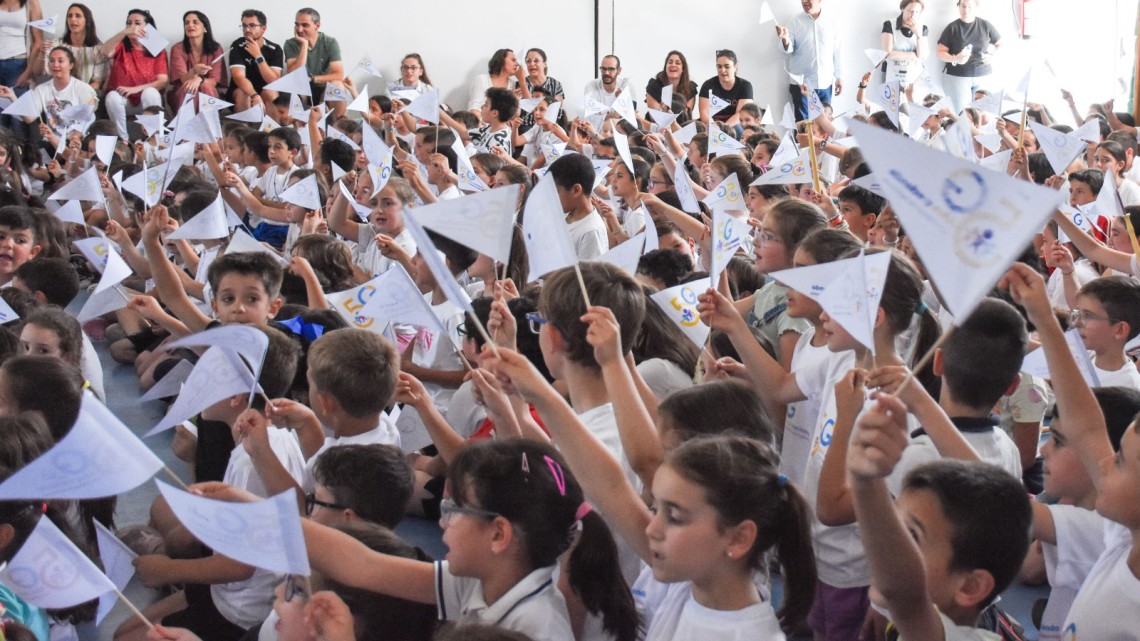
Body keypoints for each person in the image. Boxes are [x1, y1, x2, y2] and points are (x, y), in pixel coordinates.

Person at [289, 439, 635, 641]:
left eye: (456, 509)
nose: (442, 519)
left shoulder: (536, 627)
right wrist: (258, 516)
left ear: (499, 534)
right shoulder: (479, 580)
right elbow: (361, 565)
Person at [102, 9, 168, 140]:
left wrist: (136, 89)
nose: (132, 27)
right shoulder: (121, 45)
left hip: (146, 101)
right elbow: (105, 52)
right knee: (112, 97)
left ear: (148, 27)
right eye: (129, 23)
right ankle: (123, 140)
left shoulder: (158, 49)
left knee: (150, 92)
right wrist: (123, 33)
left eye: (137, 23)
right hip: (124, 100)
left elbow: (163, 81)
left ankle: (154, 139)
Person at [777, 0, 843, 121]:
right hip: (801, 84)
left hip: (825, 84)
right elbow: (786, 50)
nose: (804, 2)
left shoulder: (831, 22)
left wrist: (839, 76)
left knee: (825, 125)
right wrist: (785, 38)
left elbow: (836, 51)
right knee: (803, 125)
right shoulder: (794, 22)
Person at [1071, 277, 1140, 389]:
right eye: (1078, 312)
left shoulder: (1126, 387)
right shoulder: (1090, 356)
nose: (1076, 322)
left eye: (1088, 315)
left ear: (1120, 330)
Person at [937, 0, 1002, 113]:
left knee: (982, 115)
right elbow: (940, 52)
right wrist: (955, 58)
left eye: (969, 7)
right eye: (963, 6)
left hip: (983, 75)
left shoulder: (985, 25)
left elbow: (1000, 44)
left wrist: (992, 55)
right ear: (958, 6)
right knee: (962, 114)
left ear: (976, 7)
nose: (965, 10)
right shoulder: (953, 27)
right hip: (957, 77)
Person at [19, 47, 95, 140]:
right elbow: (29, 118)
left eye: (60, 61)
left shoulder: (83, 88)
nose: (55, 65)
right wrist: (12, 97)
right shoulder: (41, 89)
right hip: (50, 140)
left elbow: (88, 116)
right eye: (51, 61)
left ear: (71, 65)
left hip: (74, 141)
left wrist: (75, 137)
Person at [283, 8, 344, 113]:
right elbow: (293, 74)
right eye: (297, 25)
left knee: (337, 85)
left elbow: (338, 75)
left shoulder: (330, 42)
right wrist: (304, 45)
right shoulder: (290, 44)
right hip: (302, 89)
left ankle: (337, 124)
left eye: (305, 25)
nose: (299, 29)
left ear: (317, 25)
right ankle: (301, 124)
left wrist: (312, 79)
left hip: (323, 87)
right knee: (294, 88)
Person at [0, 0, 43, 140]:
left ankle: (21, 160)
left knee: (19, 120)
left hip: (18, 64)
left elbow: (38, 41)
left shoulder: (31, 3)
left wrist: (28, 71)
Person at [167, 10, 226, 109]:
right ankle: (186, 121)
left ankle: (208, 122)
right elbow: (182, 79)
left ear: (205, 28)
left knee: (205, 86)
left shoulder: (216, 48)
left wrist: (199, 79)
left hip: (209, 91)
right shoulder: (177, 48)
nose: (190, 25)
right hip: (183, 91)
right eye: (187, 23)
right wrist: (194, 71)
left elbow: (214, 80)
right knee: (190, 87)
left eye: (195, 22)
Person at [226, 9, 282, 113]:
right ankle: (245, 128)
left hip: (264, 90)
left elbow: (274, 81)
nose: (247, 29)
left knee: (272, 92)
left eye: (252, 25)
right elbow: (238, 77)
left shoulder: (275, 49)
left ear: (263, 28)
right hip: (241, 90)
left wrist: (258, 56)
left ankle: (270, 129)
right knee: (243, 94)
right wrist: (254, 95)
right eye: (244, 25)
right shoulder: (237, 45)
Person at [45, 4, 106, 94]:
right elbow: (46, 72)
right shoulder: (57, 45)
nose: (73, 19)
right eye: (70, 16)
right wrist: (41, 53)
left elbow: (97, 82)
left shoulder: (97, 49)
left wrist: (79, 95)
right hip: (59, 92)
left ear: (87, 21)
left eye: (78, 16)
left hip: (86, 94)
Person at [698, 50, 753, 131]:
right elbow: (704, 112)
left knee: (738, 130)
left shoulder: (745, 86)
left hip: (734, 124)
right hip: (712, 124)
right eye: (719, 66)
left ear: (735, 67)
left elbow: (740, 115)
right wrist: (713, 127)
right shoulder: (708, 85)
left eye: (727, 66)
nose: (722, 70)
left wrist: (723, 129)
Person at [881, 0, 928, 87]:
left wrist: (918, 35)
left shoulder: (923, 28)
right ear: (903, 8)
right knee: (892, 99)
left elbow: (922, 56)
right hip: (892, 74)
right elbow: (887, 54)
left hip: (915, 76)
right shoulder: (889, 25)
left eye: (917, 12)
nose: (913, 15)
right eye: (910, 11)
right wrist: (914, 55)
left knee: (913, 100)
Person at [467, 48, 527, 113]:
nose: (517, 64)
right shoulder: (482, 79)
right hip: (478, 121)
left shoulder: (513, 85)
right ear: (501, 60)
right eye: (513, 60)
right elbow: (474, 107)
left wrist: (522, 79)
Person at [645, 50, 697, 119]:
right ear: (665, 67)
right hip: (657, 127)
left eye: (677, 63)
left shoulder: (691, 88)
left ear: (683, 69)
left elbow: (685, 117)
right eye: (670, 62)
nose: (673, 65)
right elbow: (656, 118)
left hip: (681, 126)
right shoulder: (654, 86)